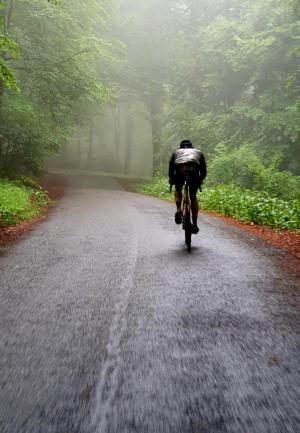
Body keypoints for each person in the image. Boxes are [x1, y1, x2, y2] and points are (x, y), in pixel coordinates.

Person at [168, 140, 207, 234]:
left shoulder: (176, 152)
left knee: (178, 188)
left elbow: (171, 167)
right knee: (193, 196)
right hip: (193, 170)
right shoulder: (198, 152)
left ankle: (178, 209)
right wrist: (200, 179)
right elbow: (203, 169)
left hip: (180, 170)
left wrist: (171, 178)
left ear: (181, 147)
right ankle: (195, 224)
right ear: (192, 147)